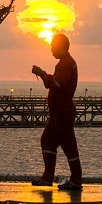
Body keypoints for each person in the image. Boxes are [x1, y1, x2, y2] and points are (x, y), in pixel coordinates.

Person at [31, 33, 82, 190]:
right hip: (57, 115)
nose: (51, 49)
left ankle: (75, 180)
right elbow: (54, 83)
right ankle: (48, 177)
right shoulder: (64, 63)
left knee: (69, 146)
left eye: (53, 46)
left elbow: (58, 83)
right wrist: (46, 77)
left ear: (61, 47)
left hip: (62, 114)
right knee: (47, 141)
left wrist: (42, 73)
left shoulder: (66, 64)